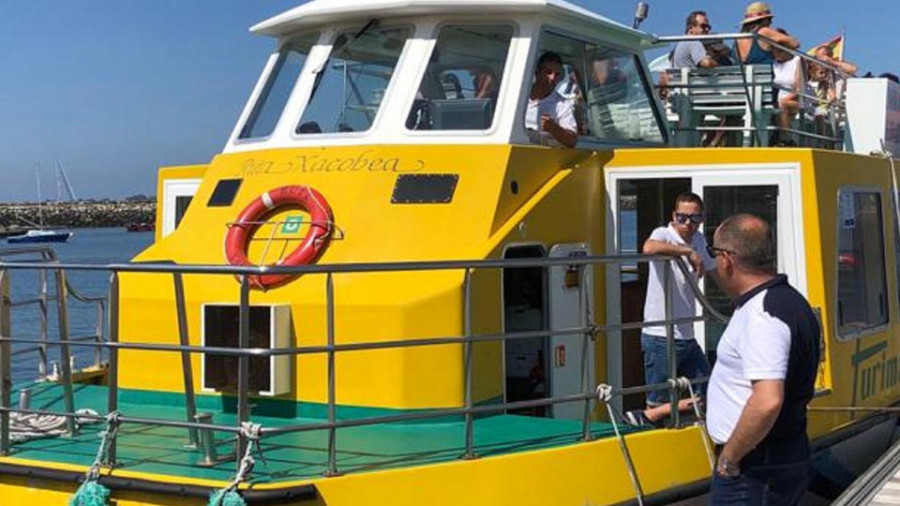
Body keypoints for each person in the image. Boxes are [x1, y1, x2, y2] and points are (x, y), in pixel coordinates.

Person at [706, 214, 819, 505]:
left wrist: (729, 459)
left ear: (727, 259)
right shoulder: (791, 301)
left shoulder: (763, 316)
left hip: (755, 468)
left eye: (713, 253)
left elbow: (768, 400)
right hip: (781, 453)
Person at [625, 193, 718, 427]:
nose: (688, 223)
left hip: (686, 335)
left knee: (708, 389)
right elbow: (649, 248)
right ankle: (646, 423)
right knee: (658, 402)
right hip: (659, 335)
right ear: (673, 217)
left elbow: (716, 270)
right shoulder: (664, 234)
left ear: (702, 218)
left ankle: (648, 419)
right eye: (682, 217)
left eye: (694, 218)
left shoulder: (699, 239)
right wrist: (687, 252)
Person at [525, 51, 577, 148]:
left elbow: (572, 141)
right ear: (537, 72)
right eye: (548, 72)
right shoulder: (520, 96)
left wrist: (553, 128)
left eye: (557, 74)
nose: (553, 78)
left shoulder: (563, 104)